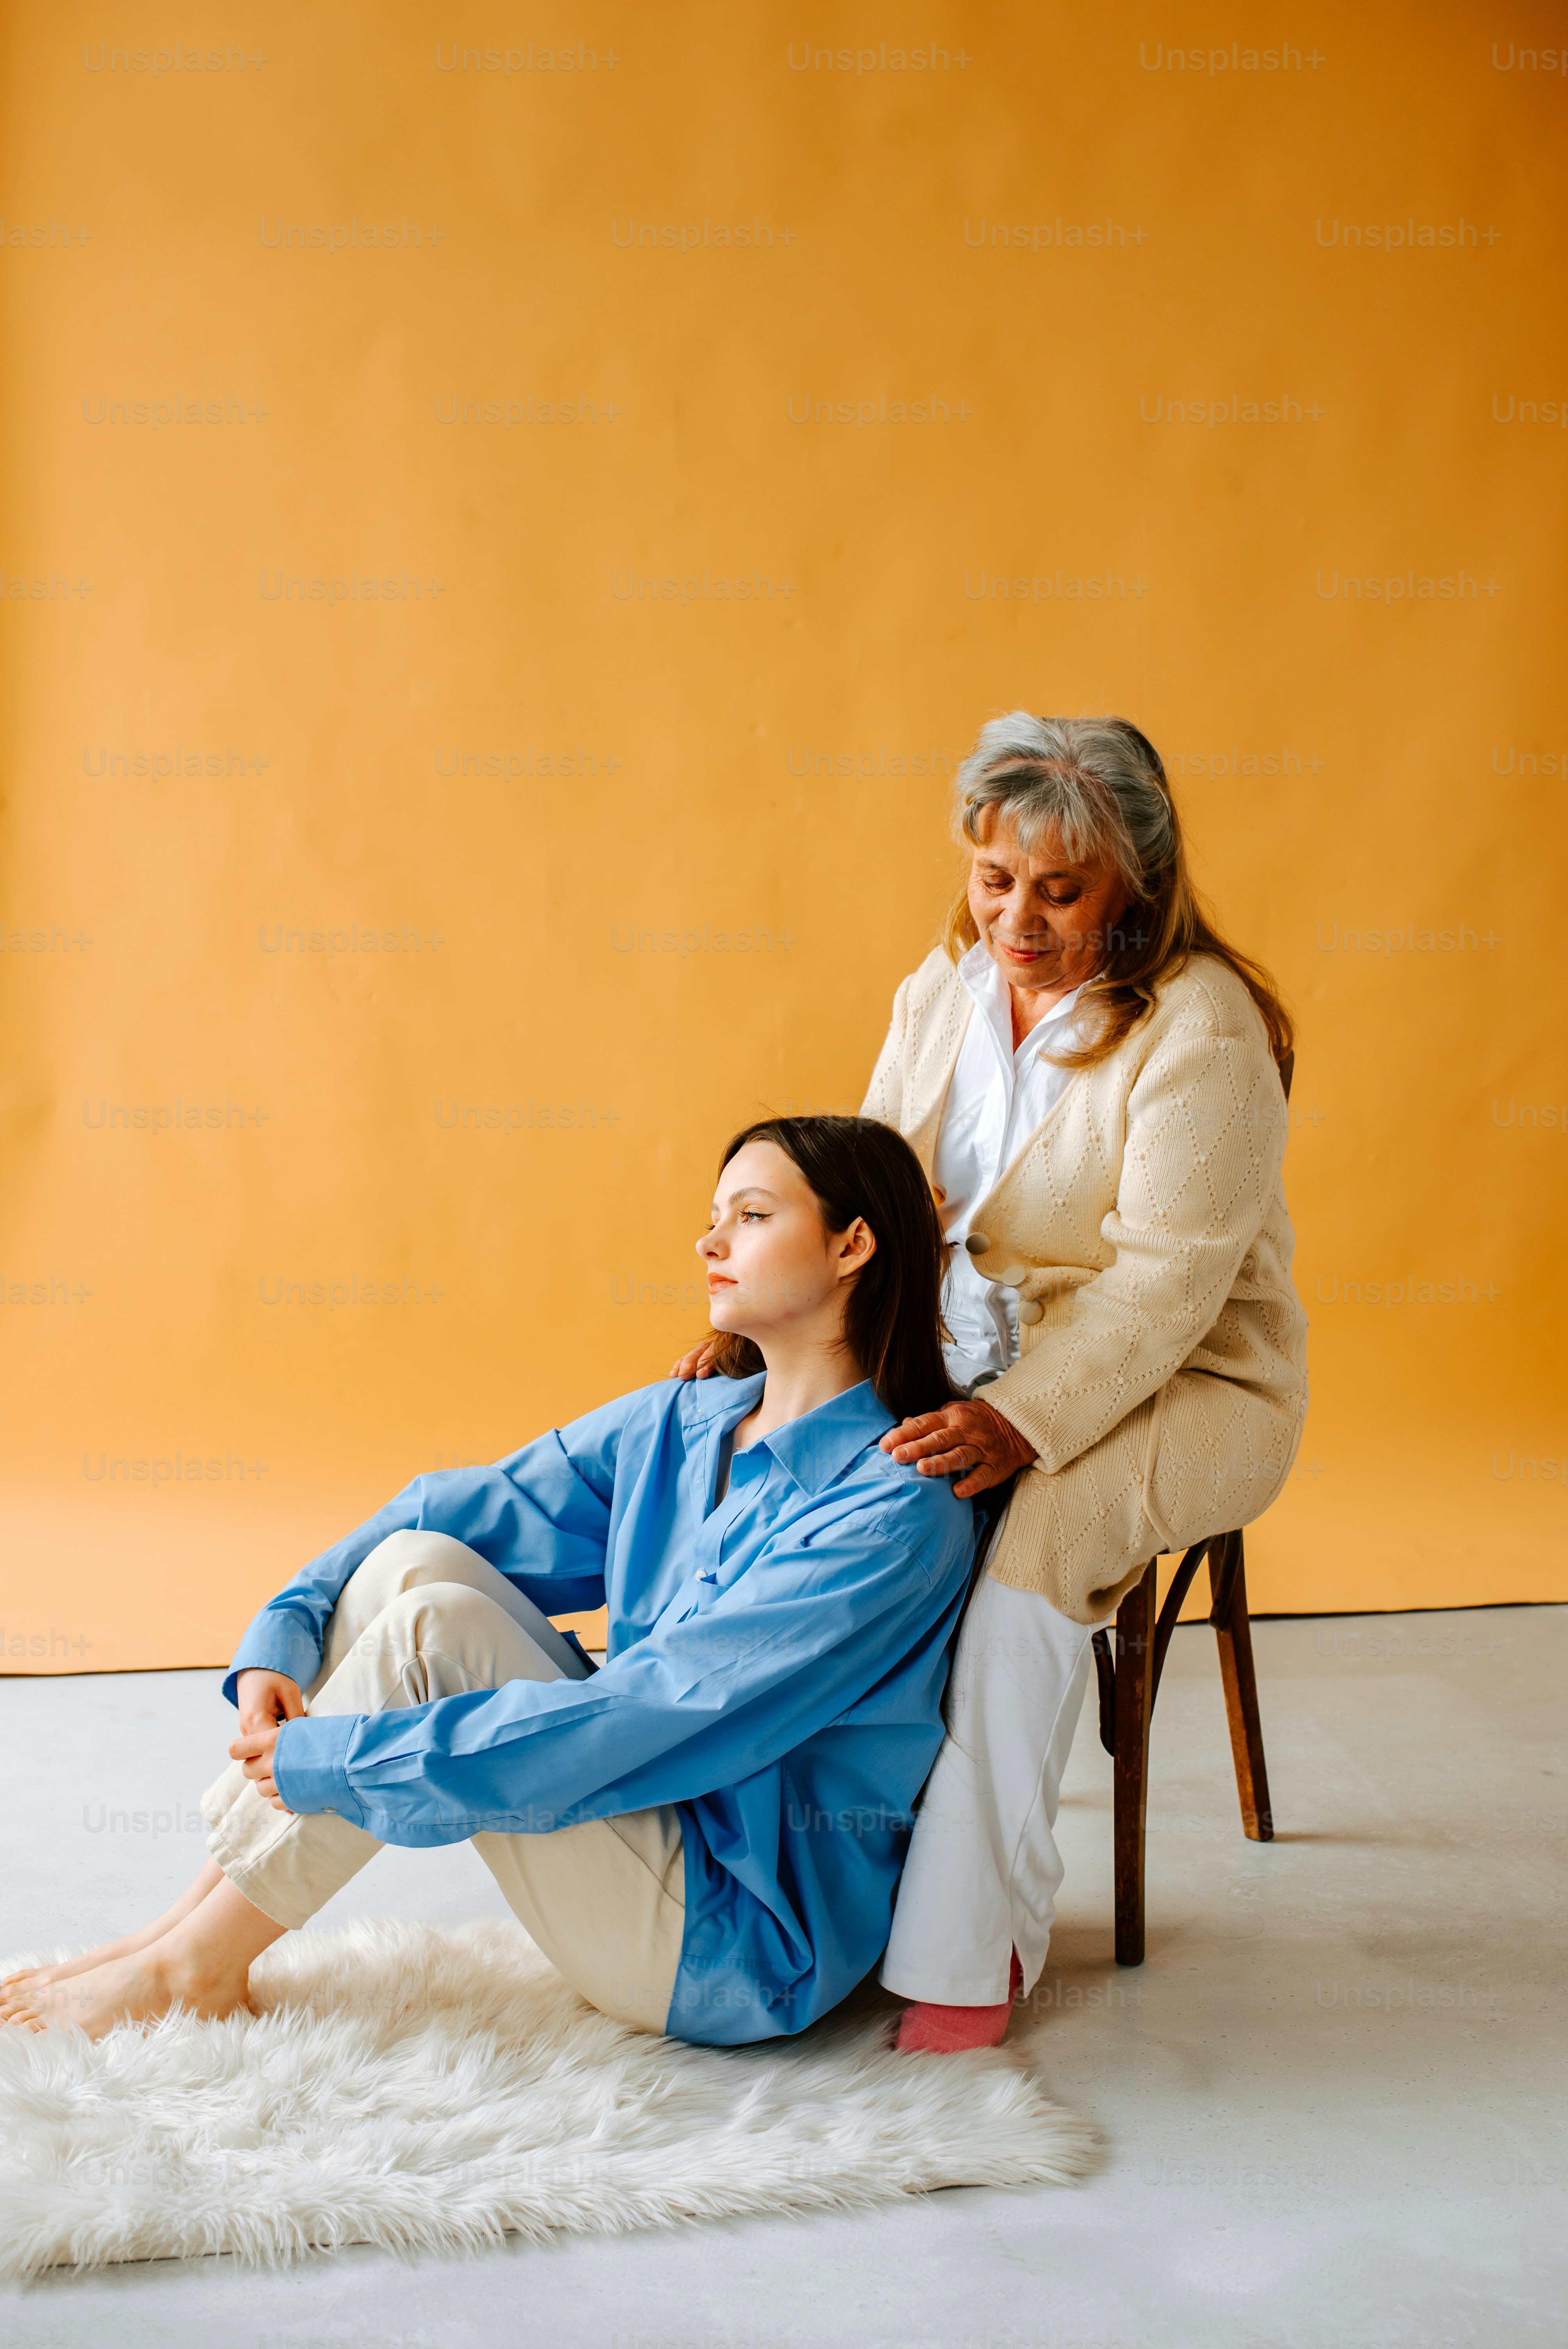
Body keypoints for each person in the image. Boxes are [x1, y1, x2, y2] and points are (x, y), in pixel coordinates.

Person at [2, 1117, 976, 2046]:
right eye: (715, 1214)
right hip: (633, 1830)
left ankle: (187, 1968)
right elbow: (447, 1512)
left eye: (753, 1216)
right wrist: (282, 1629)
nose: (709, 1239)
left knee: (441, 1633)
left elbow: (650, 1714)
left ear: (853, 1246)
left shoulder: (893, 1509)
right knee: (413, 1564)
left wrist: (348, 1758)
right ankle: (181, 1939)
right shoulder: (684, 1421)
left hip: (731, 1939)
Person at [675, 712, 1308, 2053]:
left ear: (1133, 880)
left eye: (1059, 889)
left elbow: (1162, 1290)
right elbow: (858, 1186)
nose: (1015, 918)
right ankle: (792, 1879)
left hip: (1189, 1383)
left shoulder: (1201, 1027)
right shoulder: (942, 990)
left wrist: (1016, 1420)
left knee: (1028, 1553)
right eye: (992, 878)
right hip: (962, 1360)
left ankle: (969, 1952)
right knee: (798, 1489)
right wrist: (759, 1327)